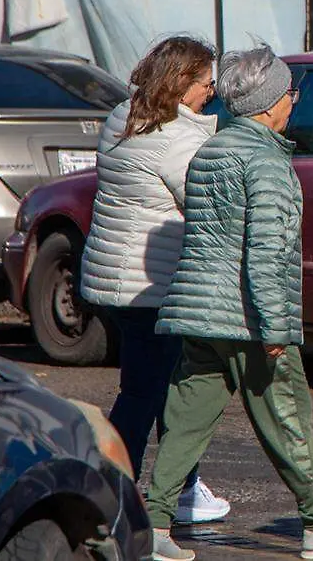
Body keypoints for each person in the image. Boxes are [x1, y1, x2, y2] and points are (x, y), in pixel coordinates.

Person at [144, 45, 313, 561]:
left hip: (199, 313)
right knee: (286, 416)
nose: (293, 101)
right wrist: (275, 327)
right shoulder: (267, 162)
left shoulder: (211, 151)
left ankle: (155, 524)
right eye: (290, 93)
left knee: (185, 421)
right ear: (269, 104)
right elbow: (268, 252)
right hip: (249, 318)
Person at [79, 36, 230, 524]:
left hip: (112, 279)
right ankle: (113, 492)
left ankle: (184, 487)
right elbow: (204, 203)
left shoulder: (123, 117)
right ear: (183, 83)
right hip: (151, 286)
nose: (212, 92)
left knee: (165, 387)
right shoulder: (178, 138)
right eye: (207, 83)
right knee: (145, 392)